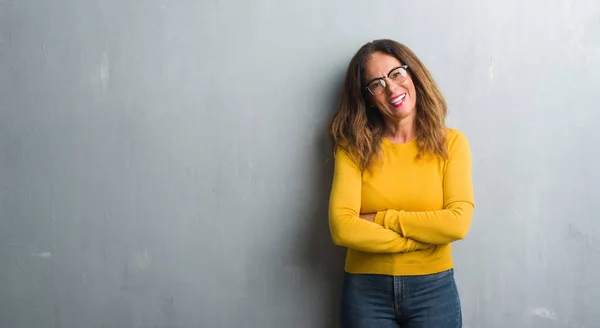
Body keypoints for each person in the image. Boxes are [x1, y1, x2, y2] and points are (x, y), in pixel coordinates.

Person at [327, 39, 475, 327]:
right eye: (377, 84)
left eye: (396, 74)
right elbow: (342, 228)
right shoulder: (352, 148)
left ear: (413, 75)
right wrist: (419, 242)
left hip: (433, 291)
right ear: (369, 98)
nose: (391, 88)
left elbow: (457, 223)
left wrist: (381, 219)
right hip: (366, 291)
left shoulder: (452, 144)